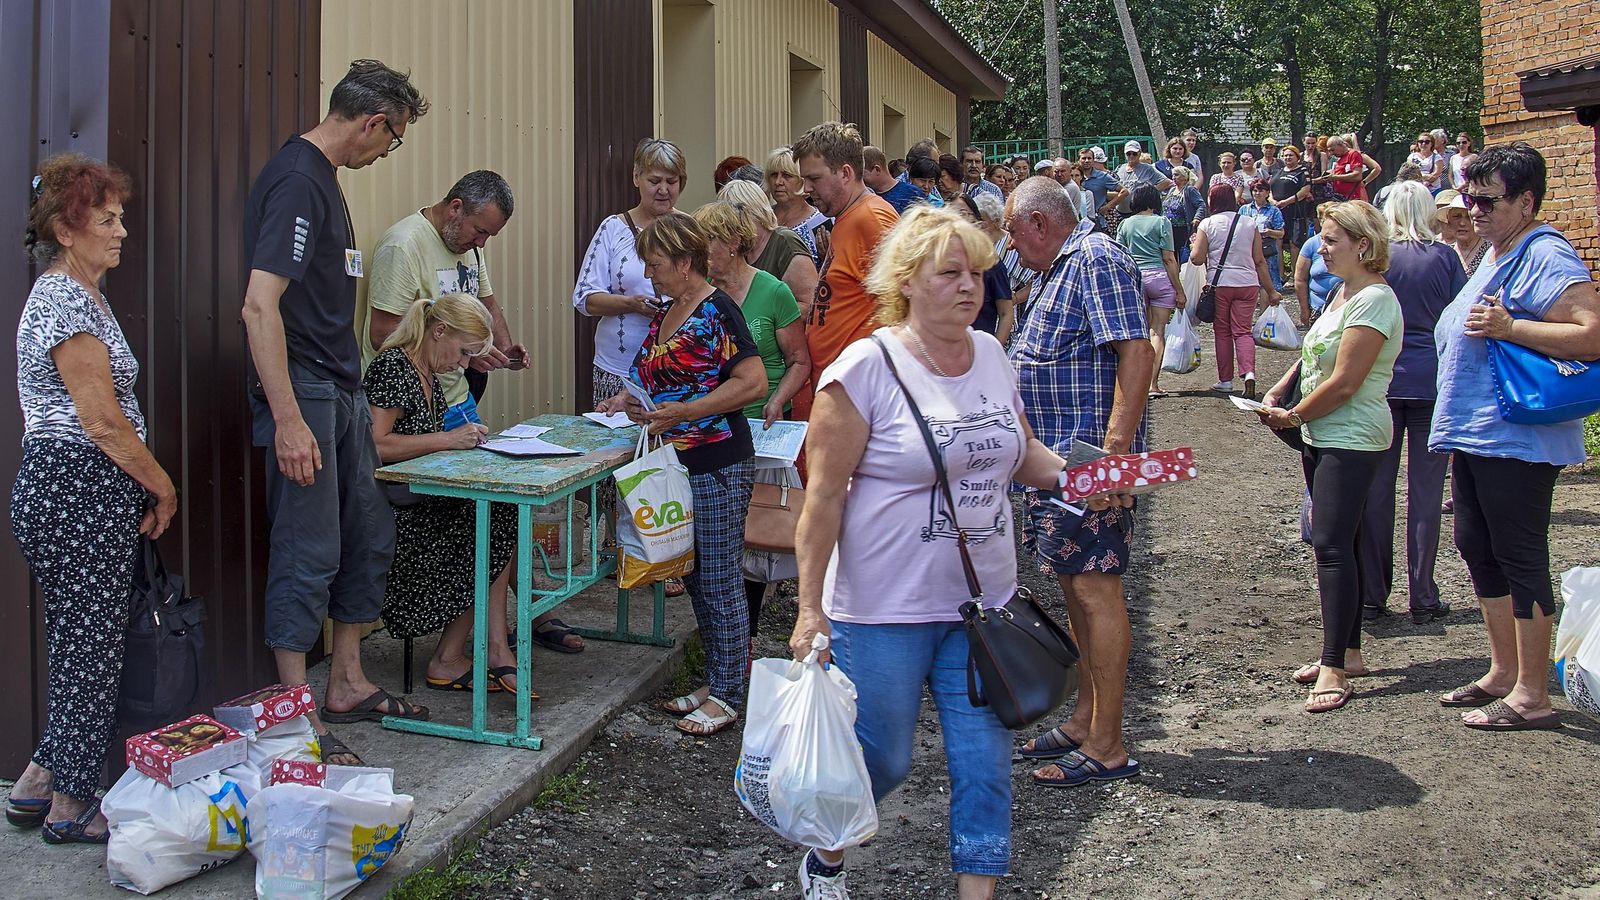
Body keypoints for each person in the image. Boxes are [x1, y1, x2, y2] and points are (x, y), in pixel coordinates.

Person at [787, 205, 1072, 899]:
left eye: (977, 272)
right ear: (907, 281)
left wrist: (1086, 480)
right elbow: (822, 496)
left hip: (984, 608)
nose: (970, 286)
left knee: (984, 765)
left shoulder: (994, 355)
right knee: (881, 761)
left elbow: (1022, 452)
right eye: (951, 273)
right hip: (883, 607)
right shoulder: (865, 367)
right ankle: (826, 854)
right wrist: (808, 608)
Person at [240, 59, 430, 766]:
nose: (387, 152)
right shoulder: (297, 180)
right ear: (374, 122)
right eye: (394, 139)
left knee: (366, 532)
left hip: (343, 389)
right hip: (307, 393)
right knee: (309, 546)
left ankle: (347, 681)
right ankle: (296, 715)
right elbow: (260, 305)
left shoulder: (327, 182)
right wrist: (288, 418)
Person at [9, 155, 177, 843]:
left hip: (79, 488)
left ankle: (36, 785)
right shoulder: (64, 300)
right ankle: (73, 806)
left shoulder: (84, 295)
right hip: (76, 486)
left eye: (121, 217)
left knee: (81, 641)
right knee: (91, 649)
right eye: (106, 220)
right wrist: (161, 482)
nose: (121, 232)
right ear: (65, 230)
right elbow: (101, 420)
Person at [1429, 143, 1600, 730]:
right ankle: (1504, 671)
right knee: (1477, 547)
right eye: (1468, 197)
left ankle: (1533, 693)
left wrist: (1509, 326)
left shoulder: (1547, 253)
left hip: (1519, 436)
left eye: (1486, 200)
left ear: (1526, 201)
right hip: (1480, 432)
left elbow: (1591, 333)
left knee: (1520, 553)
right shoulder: (1499, 249)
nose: (1472, 209)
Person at [1005, 177, 1151, 790]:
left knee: (1096, 592)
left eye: (1013, 230)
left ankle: (1109, 743)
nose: (1009, 244)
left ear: (1040, 223)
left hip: (1088, 464)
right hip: (1058, 465)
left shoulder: (1094, 258)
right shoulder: (1054, 268)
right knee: (1075, 590)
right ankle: (1087, 720)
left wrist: (1114, 455)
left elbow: (1136, 353)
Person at [597, 213, 768, 736]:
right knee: (695, 575)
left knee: (718, 578)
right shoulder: (670, 310)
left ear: (686, 262)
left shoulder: (717, 311)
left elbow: (753, 381)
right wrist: (626, 398)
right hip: (675, 461)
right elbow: (655, 375)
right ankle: (719, 679)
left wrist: (686, 413)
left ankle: (729, 693)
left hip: (715, 460)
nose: (649, 276)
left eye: (655, 265)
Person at [1256, 200, 1404, 712]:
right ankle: (1351, 652)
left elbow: (1345, 381)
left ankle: (1334, 666)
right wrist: (1277, 392)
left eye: (1331, 239)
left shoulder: (1376, 301)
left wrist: (1294, 417)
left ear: (1362, 245)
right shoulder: (1345, 293)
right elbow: (1311, 356)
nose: (1321, 246)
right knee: (1346, 539)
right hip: (1325, 433)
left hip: (1352, 434)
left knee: (1331, 545)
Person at [364, 294, 536, 693]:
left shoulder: (426, 373)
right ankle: (454, 655)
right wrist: (446, 439)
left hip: (418, 501)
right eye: (463, 353)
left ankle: (467, 650)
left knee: (501, 513)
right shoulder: (394, 366)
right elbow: (375, 445)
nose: (463, 365)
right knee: (492, 523)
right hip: (398, 516)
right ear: (438, 331)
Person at [693, 201, 812, 640]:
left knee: (754, 537)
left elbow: (800, 360)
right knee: (717, 545)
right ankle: (731, 646)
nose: (701, 251)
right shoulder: (699, 292)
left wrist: (778, 400)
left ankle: (742, 638)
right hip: (710, 430)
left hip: (761, 431)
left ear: (734, 243)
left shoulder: (772, 292)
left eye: (709, 241)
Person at [1350, 182, 1464, 624]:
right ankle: (1423, 593)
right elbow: (1457, 316)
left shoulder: (1380, 260)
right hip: (1431, 380)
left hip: (1383, 378)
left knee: (1377, 489)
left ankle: (1375, 593)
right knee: (1427, 491)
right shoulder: (1445, 257)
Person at [361, 171, 527, 436]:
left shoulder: (470, 248)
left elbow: (489, 306)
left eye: (489, 236)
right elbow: (382, 335)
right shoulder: (403, 246)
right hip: (410, 406)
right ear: (456, 208)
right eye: (480, 231)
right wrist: (468, 356)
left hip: (457, 399)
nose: (481, 243)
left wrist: (504, 350)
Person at [789, 121, 900, 422]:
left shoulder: (872, 218)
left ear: (846, 173)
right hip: (839, 389)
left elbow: (905, 303)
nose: (807, 190)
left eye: (814, 179)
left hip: (861, 395)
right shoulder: (846, 217)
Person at [574, 137, 685, 409]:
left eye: (671, 182)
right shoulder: (613, 228)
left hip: (673, 367)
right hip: (617, 367)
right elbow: (584, 299)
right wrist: (630, 304)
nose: (663, 190)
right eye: (654, 181)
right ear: (636, 177)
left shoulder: (688, 229)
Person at [1193, 183, 1281, 399]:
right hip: (1248, 283)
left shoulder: (1208, 223)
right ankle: (1249, 373)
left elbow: (1196, 258)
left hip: (1220, 284)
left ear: (1213, 201)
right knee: (1242, 331)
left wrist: (1196, 242)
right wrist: (1271, 291)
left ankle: (1225, 381)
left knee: (1222, 332)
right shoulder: (1249, 223)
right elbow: (1259, 260)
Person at [1116, 184, 1185, 398]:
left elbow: (1120, 255)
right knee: (1157, 332)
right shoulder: (1162, 222)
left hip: (1134, 279)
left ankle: (1134, 383)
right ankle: (1152, 384)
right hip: (1159, 278)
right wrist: (1179, 290)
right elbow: (1169, 258)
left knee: (1139, 334)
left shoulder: (1125, 224)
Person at [718, 179, 819, 318]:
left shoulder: (784, 242)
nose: (732, 228)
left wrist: (764, 316)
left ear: (756, 212)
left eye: (736, 220)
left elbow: (811, 305)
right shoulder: (740, 248)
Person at [954, 193, 1017, 343]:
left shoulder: (991, 262)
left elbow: (1006, 313)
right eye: (956, 213)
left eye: (967, 213)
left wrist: (995, 351)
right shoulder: (936, 261)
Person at [765, 146, 831, 267]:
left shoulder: (821, 222)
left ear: (802, 180)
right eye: (774, 175)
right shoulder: (762, 219)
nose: (778, 182)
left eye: (787, 175)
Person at [1113, 140, 1173, 229]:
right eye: (1128, 154)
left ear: (1140, 153)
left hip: (1139, 213)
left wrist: (1148, 193)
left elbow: (1166, 182)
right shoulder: (1119, 168)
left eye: (1134, 153)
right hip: (1120, 212)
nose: (1131, 156)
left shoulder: (1147, 169)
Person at [1241, 178, 1287, 290]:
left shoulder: (1274, 210)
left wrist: (1269, 232)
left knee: (1267, 285)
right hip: (1247, 251)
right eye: (1255, 190)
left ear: (1267, 193)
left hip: (1267, 251)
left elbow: (1281, 233)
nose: (1257, 193)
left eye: (1261, 190)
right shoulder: (1244, 209)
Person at [1434, 189, 1489, 278]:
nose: (1462, 223)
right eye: (1456, 217)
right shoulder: (1446, 253)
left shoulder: (1490, 251)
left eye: (1468, 217)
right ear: (1448, 221)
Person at [1272, 145, 1315, 255]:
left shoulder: (1302, 171)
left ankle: (1296, 272)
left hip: (1295, 212)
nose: (1287, 157)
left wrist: (1286, 202)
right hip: (1277, 211)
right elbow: (1269, 188)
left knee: (1294, 243)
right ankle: (1280, 272)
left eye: (1291, 155)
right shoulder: (1278, 171)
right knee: (1278, 242)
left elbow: (1305, 191)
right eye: (1285, 155)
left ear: (1297, 157)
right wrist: (1272, 201)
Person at [1316, 134, 1381, 201]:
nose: (1331, 153)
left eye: (1332, 150)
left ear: (1343, 144)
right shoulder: (1340, 158)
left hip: (1354, 196)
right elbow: (1336, 173)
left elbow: (1376, 168)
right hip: (1341, 197)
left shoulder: (1357, 154)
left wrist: (1365, 182)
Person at [1163, 166, 1207, 264]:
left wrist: (1197, 218)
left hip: (1183, 229)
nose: (1173, 177)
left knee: (1184, 256)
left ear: (1184, 177)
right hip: (1170, 229)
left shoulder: (1190, 190)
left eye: (1177, 175)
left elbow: (1201, 205)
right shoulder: (1171, 190)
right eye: (1173, 175)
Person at [863, 144, 923, 214]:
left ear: (877, 170)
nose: (860, 180)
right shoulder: (865, 196)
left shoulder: (914, 195)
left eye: (861, 175)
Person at [1080, 147, 1118, 229]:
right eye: (1083, 158)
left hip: (1098, 222)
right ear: (1079, 160)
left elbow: (1124, 192)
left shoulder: (1103, 176)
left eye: (1089, 158)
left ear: (1093, 160)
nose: (1086, 161)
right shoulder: (1074, 176)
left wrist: (1108, 206)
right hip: (1079, 222)